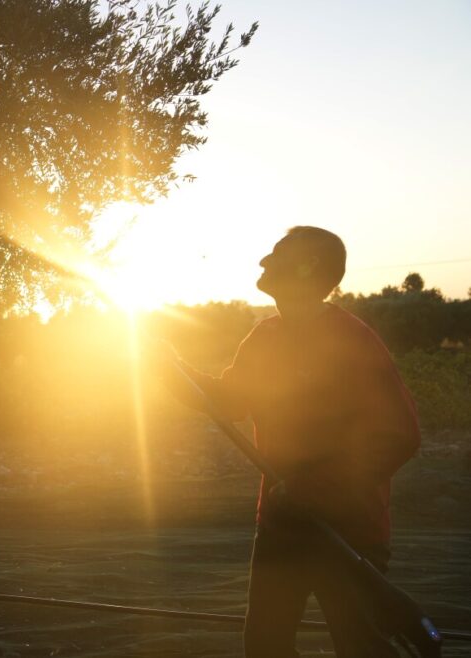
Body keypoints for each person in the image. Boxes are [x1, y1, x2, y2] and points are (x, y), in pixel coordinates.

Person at [159, 226, 421, 657]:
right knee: (265, 646)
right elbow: (228, 401)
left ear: (307, 268)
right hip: (281, 525)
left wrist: (318, 489)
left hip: (348, 531)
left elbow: (400, 435)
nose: (264, 261)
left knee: (361, 647)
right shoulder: (265, 337)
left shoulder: (352, 340)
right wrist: (167, 368)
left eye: (277, 254)